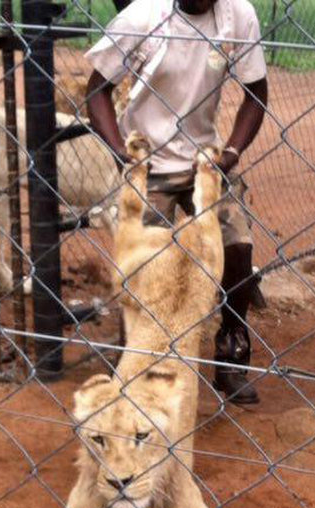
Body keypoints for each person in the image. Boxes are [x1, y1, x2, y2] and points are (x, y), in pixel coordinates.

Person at [85, 0, 269, 404]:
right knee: (145, 267)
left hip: (206, 160)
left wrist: (231, 155)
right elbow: (96, 90)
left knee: (237, 250)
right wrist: (122, 154)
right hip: (148, 160)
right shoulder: (143, 16)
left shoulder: (238, 16)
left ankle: (231, 354)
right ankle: (132, 355)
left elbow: (256, 93)